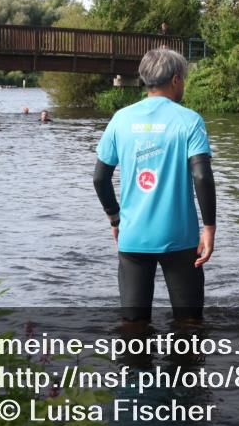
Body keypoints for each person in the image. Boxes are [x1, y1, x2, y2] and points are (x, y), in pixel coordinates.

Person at [93, 48, 216, 321]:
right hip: (180, 238)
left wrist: (115, 218)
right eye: (183, 78)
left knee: (134, 327)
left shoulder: (120, 119)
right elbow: (202, 176)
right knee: (190, 324)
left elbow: (100, 178)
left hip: (133, 236)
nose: (183, 84)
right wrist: (209, 228)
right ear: (175, 80)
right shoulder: (190, 121)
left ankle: (136, 363)